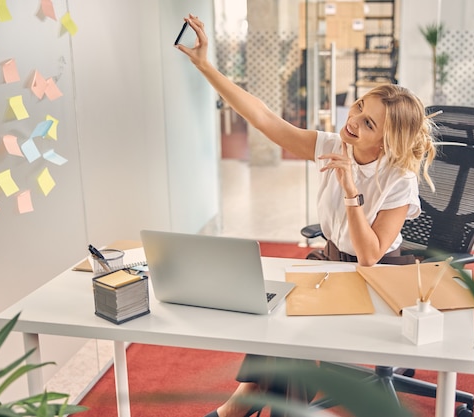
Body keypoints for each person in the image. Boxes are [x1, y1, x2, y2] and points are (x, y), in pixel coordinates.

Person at [176, 14, 437, 417]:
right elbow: (263, 118)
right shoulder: (335, 143)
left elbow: (370, 257)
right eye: (359, 107)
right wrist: (205, 66)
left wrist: (351, 190)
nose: (352, 122)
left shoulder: (399, 179)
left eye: (368, 123)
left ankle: (233, 412)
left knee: (287, 337)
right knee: (276, 327)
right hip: (329, 267)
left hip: (378, 281)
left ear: (388, 140)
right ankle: (241, 409)